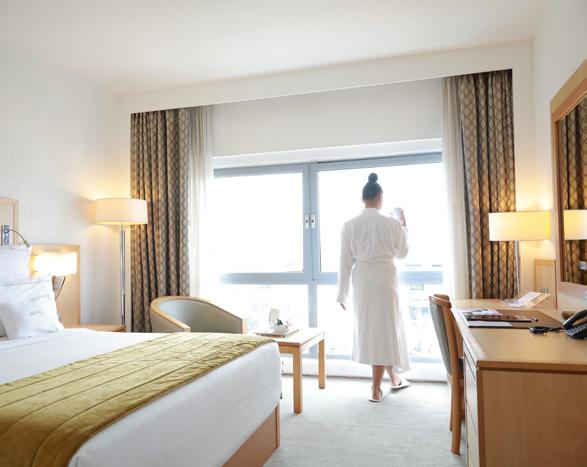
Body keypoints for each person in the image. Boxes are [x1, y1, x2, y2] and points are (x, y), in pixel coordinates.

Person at [336, 172, 411, 402]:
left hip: (363, 282)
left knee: (375, 331)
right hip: (386, 280)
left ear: (363, 199)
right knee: (385, 330)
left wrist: (342, 294)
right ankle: (376, 389)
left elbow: (345, 262)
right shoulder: (392, 224)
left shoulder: (349, 226)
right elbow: (402, 253)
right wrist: (404, 228)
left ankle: (393, 378)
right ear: (380, 198)